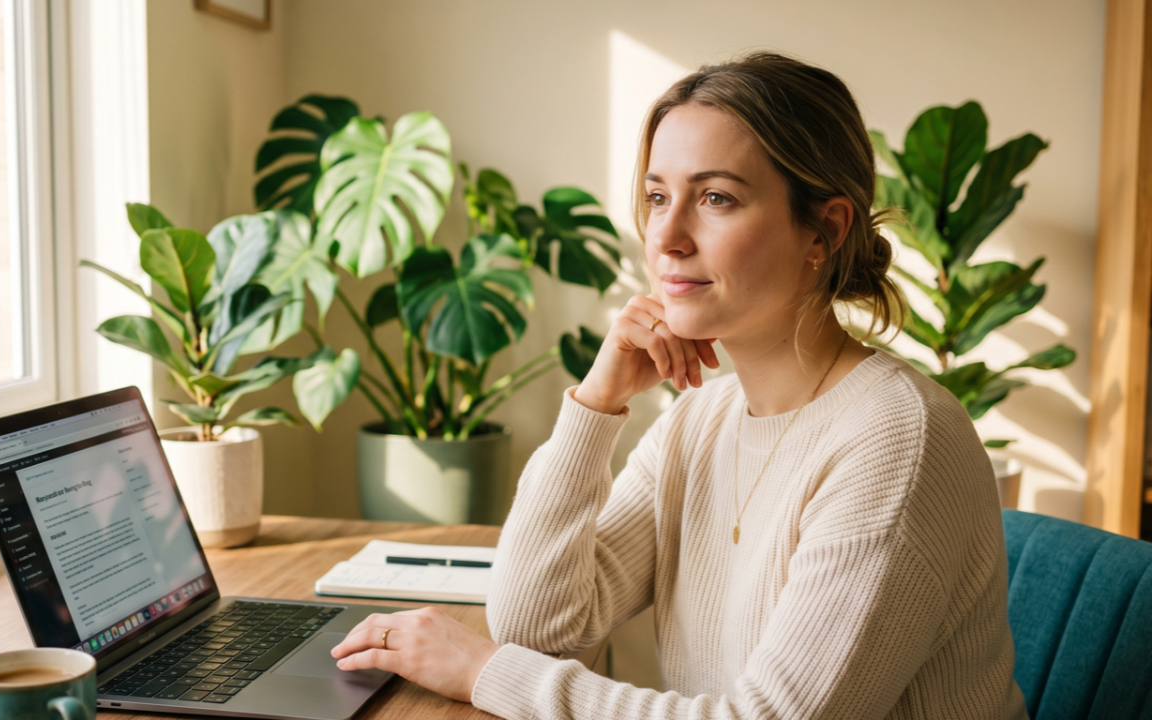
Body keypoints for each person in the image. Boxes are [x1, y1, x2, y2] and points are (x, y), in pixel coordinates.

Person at [330, 52, 1028, 720]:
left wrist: (483, 671)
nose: (666, 236)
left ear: (825, 230)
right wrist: (595, 406)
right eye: (658, 196)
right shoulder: (703, 419)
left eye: (716, 198)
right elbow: (539, 628)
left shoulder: (897, 440)